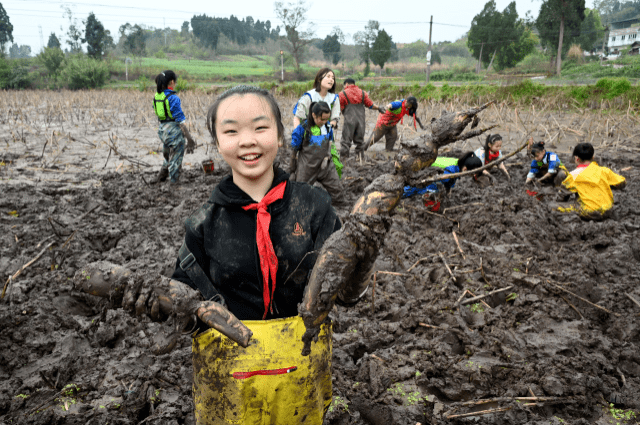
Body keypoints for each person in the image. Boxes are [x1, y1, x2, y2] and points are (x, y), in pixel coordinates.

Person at [170, 85, 346, 424]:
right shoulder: (204, 224)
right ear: (218, 142)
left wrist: (362, 258)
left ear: (280, 136)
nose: (247, 140)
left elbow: (345, 284)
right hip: (230, 385)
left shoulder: (314, 207)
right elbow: (184, 301)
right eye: (232, 131)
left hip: (301, 372)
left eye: (260, 127)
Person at [290, 101, 344, 205]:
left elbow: (330, 143)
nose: (325, 122)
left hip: (325, 166)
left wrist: (327, 158)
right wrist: (292, 169)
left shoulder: (327, 127)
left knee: (338, 195)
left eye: (327, 119)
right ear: (314, 115)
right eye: (322, 119)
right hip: (307, 167)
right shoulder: (303, 128)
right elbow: (294, 150)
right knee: (299, 199)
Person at [557, 142, 626, 220]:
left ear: (576, 158)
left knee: (554, 206)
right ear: (593, 157)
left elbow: (562, 196)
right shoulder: (604, 171)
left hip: (589, 213)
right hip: (608, 210)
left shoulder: (573, 175)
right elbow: (622, 182)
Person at [152, 70, 195, 184]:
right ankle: (174, 182)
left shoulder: (157, 97)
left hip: (162, 130)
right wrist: (189, 139)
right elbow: (180, 121)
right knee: (176, 157)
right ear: (171, 82)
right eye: (174, 82)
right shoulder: (173, 98)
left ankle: (161, 176)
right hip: (173, 130)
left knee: (168, 155)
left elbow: (158, 113)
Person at [402, 152, 482, 211]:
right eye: (471, 174)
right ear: (465, 169)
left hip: (426, 169)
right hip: (420, 171)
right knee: (422, 189)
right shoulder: (449, 172)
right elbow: (431, 182)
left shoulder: (457, 163)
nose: (472, 176)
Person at [338, 78, 385, 159]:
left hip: (349, 120)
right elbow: (370, 104)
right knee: (360, 141)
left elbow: (340, 108)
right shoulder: (363, 93)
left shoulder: (343, 93)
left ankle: (344, 159)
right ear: (354, 83)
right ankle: (360, 158)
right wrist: (378, 108)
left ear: (346, 84)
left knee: (346, 141)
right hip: (361, 121)